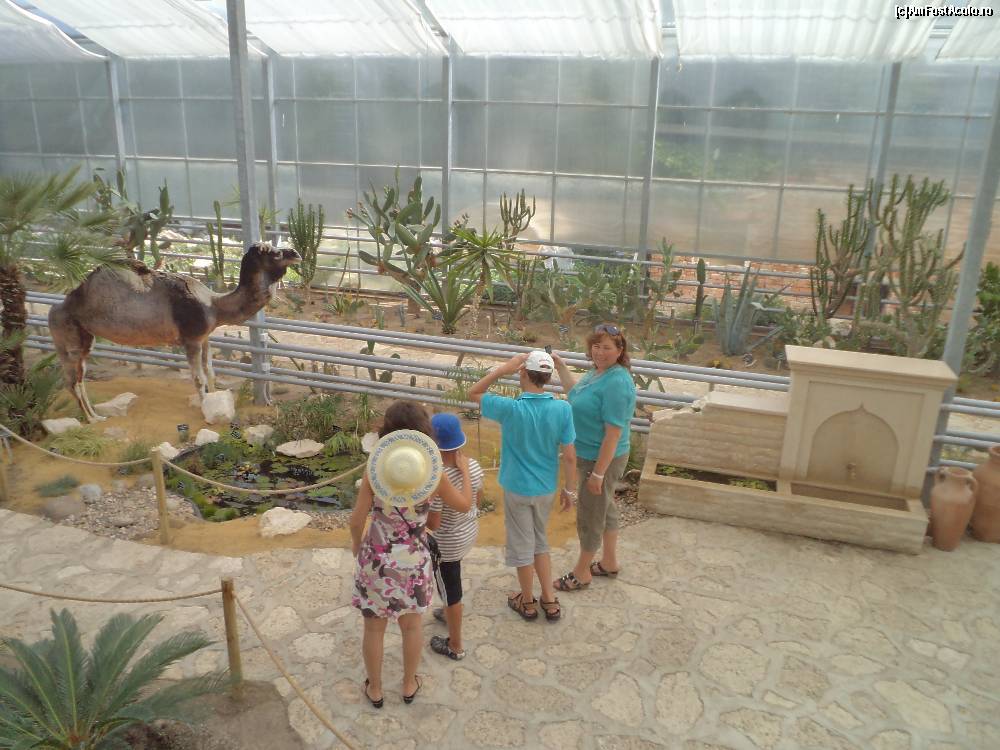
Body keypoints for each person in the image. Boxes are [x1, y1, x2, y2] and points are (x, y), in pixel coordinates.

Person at [350, 400, 472, 708]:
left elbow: (356, 520)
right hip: (413, 560)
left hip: (376, 558)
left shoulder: (375, 470)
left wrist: (356, 546)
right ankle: (408, 684)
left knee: (373, 628)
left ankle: (375, 688)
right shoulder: (433, 473)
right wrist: (465, 473)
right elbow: (464, 505)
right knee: (412, 626)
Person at [469, 350, 577, 622]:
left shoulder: (511, 408)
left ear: (523, 373)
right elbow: (570, 456)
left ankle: (527, 600)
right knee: (540, 540)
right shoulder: (562, 409)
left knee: (521, 545)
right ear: (548, 377)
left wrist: (502, 369)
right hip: (546, 488)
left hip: (517, 488)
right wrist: (569, 489)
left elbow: (474, 392)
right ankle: (549, 599)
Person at [552, 323, 637, 592]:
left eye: (607, 347)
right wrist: (560, 366)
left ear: (620, 350)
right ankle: (609, 562)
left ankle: (582, 572)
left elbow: (613, 433)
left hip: (602, 459)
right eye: (596, 346)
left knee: (590, 515)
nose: (600, 352)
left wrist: (598, 474)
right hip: (591, 455)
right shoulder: (598, 372)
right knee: (605, 508)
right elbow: (575, 395)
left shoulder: (617, 383)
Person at [426, 412, 484, 661]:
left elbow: (434, 523)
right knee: (452, 586)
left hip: (446, 546)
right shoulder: (473, 466)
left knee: (451, 591)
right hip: (468, 533)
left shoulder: (437, 478)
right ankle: (449, 611)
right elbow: (478, 499)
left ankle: (455, 645)